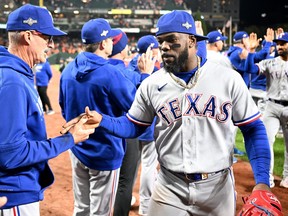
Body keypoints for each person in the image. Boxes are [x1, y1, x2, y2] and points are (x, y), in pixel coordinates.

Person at [63, 10, 273, 215]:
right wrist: (104, 120)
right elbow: (134, 125)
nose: (163, 46)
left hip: (217, 188)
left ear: (192, 40)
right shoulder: (153, 83)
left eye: (171, 39)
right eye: (160, 40)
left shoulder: (228, 79)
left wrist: (262, 181)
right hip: (169, 185)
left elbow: (253, 128)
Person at [0, 4, 95, 215]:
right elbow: (10, 154)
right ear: (28, 36)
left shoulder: (16, 73)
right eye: (47, 37)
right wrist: (68, 139)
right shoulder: (12, 80)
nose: (51, 45)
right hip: (12, 193)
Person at [59, 19, 139, 216]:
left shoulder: (68, 69)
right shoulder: (110, 73)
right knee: (100, 212)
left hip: (77, 146)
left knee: (81, 208)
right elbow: (135, 108)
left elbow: (63, 107)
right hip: (105, 152)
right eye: (110, 38)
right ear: (104, 43)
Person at [109, 31, 158, 216]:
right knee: (148, 167)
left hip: (129, 129)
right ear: (151, 50)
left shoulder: (129, 66)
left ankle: (126, 199)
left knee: (129, 171)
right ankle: (145, 208)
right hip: (146, 127)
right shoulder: (153, 68)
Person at [246, 32, 288, 188]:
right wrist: (251, 52)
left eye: (283, 43)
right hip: (271, 106)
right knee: (266, 141)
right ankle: (267, 177)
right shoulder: (270, 63)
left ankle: (287, 176)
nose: (280, 46)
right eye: (278, 44)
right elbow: (250, 68)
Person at [206, 30, 245, 160]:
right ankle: (225, 156)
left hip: (202, 96)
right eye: (221, 40)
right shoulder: (221, 59)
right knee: (225, 128)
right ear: (216, 43)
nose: (223, 42)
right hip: (219, 96)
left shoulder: (200, 55)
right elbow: (231, 77)